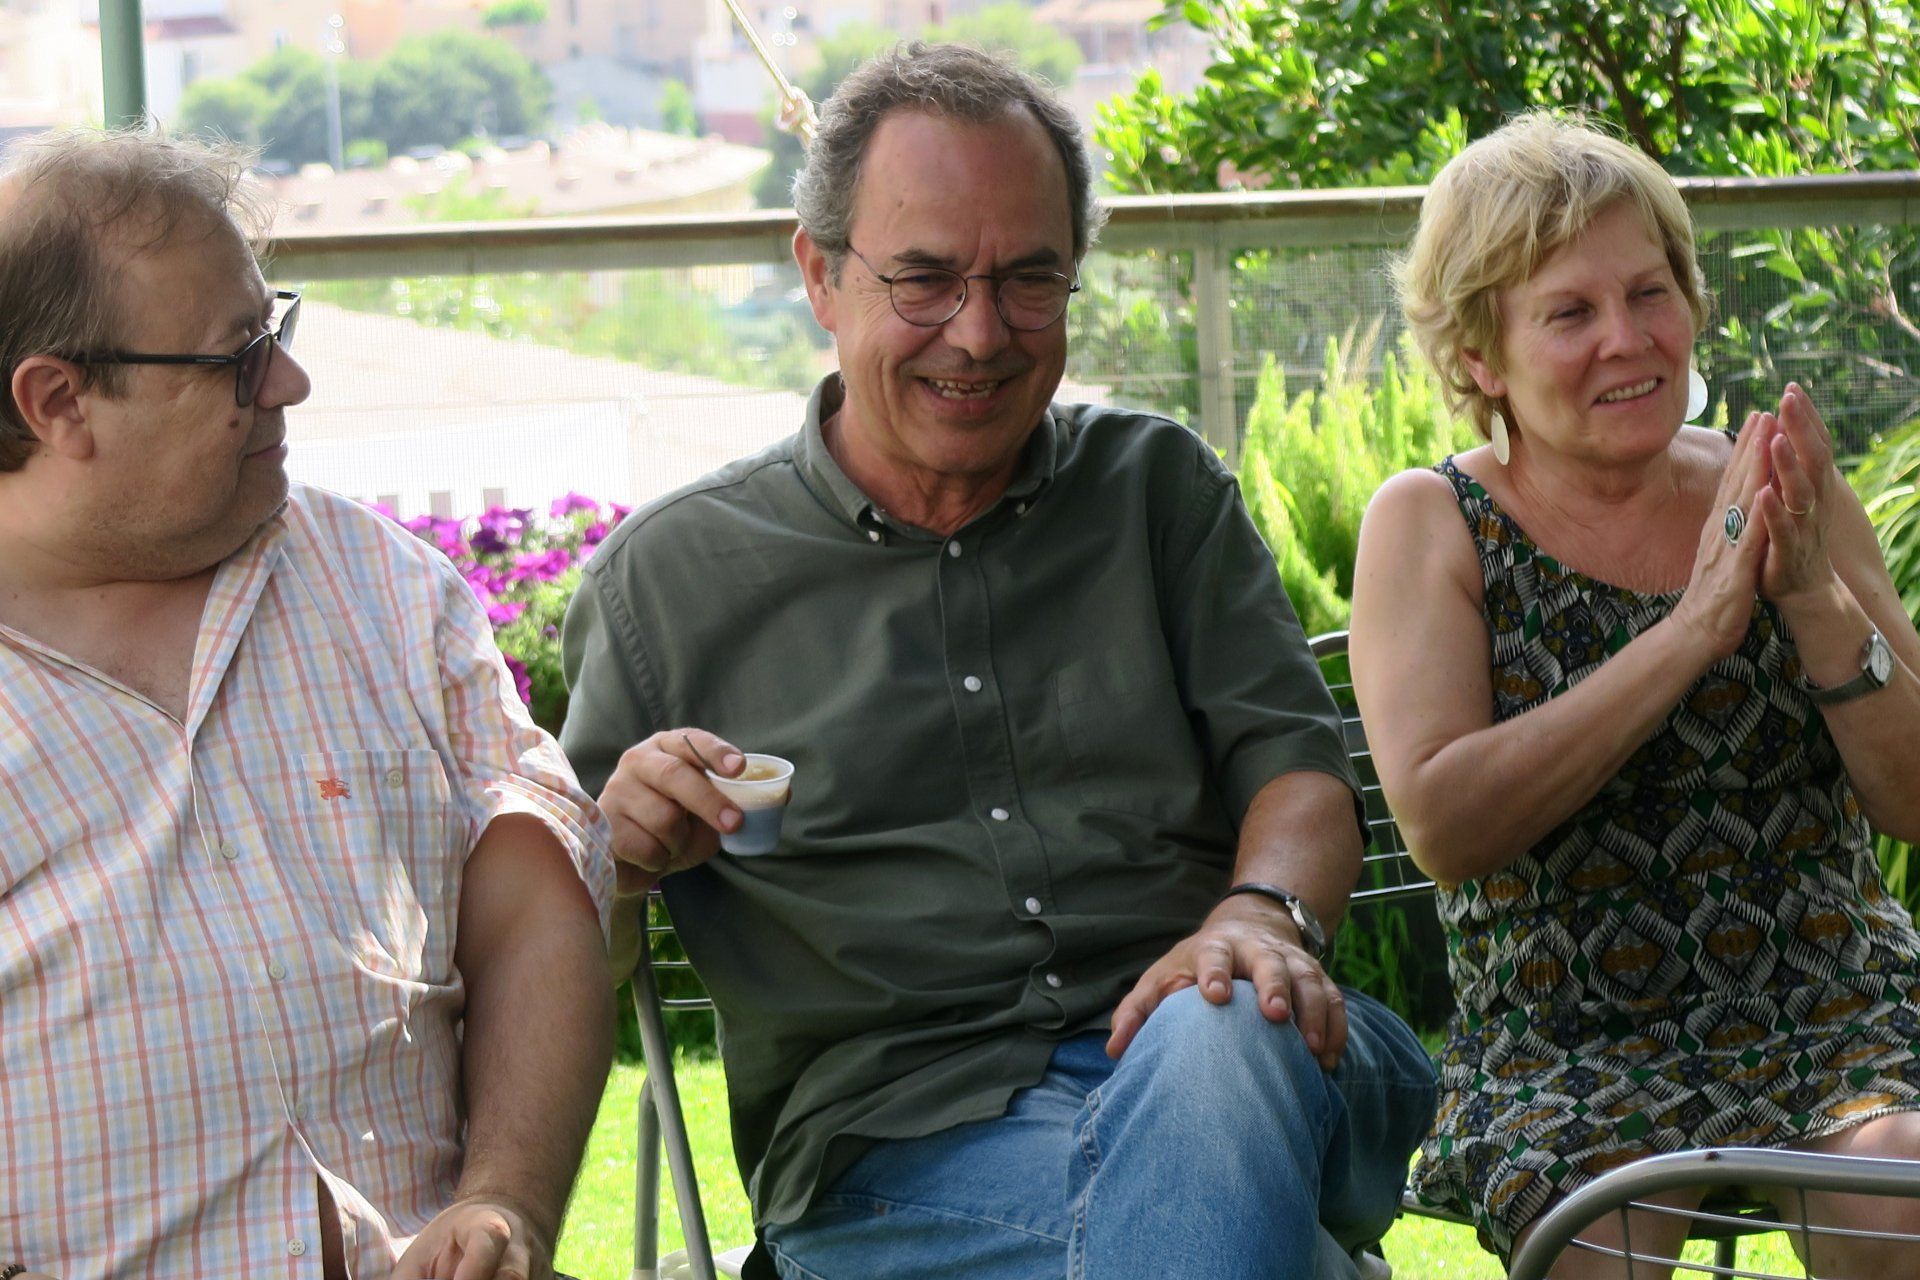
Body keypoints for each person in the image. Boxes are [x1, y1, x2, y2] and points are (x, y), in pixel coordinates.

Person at [560, 42, 1435, 1280]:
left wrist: (1255, 915)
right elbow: (553, 958)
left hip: (1265, 1054)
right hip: (899, 1155)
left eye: (1030, 279)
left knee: (1217, 1016)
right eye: (924, 278)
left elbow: (1298, 772)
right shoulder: (665, 584)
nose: (978, 333)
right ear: (819, 273)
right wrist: (617, 856)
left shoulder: (1157, 492)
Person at [0, 130, 615, 1280]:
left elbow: (535, 903)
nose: (288, 381)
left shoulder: (382, 589)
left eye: (273, 332)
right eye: (238, 359)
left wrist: (504, 1200)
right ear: (59, 400)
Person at [1352, 112, 1920, 1277]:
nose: (1629, 337)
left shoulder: (1782, 483)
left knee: (1899, 1195)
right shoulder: (1431, 521)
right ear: (1479, 354)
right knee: (1598, 1246)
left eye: (1650, 292)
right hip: (1566, 1040)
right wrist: (1693, 631)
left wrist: (1813, 597)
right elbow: (1446, 824)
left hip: (1840, 1006)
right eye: (1570, 312)